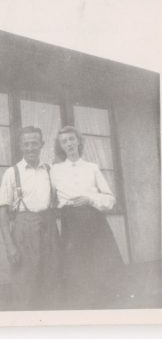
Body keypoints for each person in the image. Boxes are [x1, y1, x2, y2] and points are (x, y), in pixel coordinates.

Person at [50, 126, 124, 309]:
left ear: (78, 141)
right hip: (71, 221)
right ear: (60, 146)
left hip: (93, 221)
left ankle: (103, 307)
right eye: (64, 141)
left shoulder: (92, 168)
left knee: (98, 264)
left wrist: (89, 198)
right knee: (76, 266)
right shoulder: (55, 170)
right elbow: (50, 199)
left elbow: (110, 199)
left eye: (72, 139)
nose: (69, 144)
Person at [0, 126, 61, 310]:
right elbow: (2, 210)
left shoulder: (50, 171)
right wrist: (10, 246)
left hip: (49, 230)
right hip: (23, 232)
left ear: (41, 145)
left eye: (34, 143)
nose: (30, 148)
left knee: (52, 281)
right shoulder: (12, 173)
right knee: (24, 286)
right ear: (20, 146)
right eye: (26, 144)